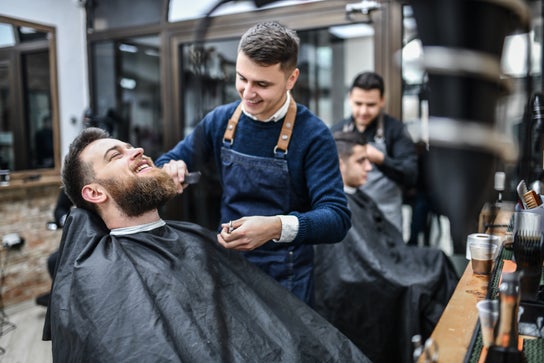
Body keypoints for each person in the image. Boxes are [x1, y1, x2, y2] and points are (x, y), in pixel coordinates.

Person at [42, 127, 370, 363]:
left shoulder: (194, 241)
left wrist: (274, 226)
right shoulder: (102, 279)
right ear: (95, 193)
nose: (138, 151)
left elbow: (336, 218)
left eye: (132, 147)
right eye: (118, 155)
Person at [155, 21, 351, 305]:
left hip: (287, 275)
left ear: (291, 79)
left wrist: (274, 228)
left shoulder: (313, 135)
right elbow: (168, 159)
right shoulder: (220, 120)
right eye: (241, 78)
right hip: (229, 264)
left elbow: (336, 218)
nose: (247, 93)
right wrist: (171, 168)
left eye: (261, 84)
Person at [313, 132, 458, 363]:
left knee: (438, 259)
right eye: (361, 161)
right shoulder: (334, 207)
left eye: (368, 160)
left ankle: (455, 336)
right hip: (366, 282)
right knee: (420, 288)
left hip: (386, 263)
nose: (369, 168)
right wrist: (401, 273)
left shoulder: (358, 196)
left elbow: (381, 246)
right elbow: (355, 264)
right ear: (338, 163)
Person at [331, 71, 418, 233]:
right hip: (350, 215)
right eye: (358, 103)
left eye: (370, 105)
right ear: (350, 98)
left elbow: (411, 174)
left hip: (387, 216)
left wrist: (381, 159)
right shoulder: (337, 132)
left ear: (382, 101)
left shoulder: (396, 131)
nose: (363, 111)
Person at [35, 189, 73, 307]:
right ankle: (62, 299)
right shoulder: (74, 179)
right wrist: (66, 220)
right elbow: (60, 208)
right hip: (82, 233)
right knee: (54, 261)